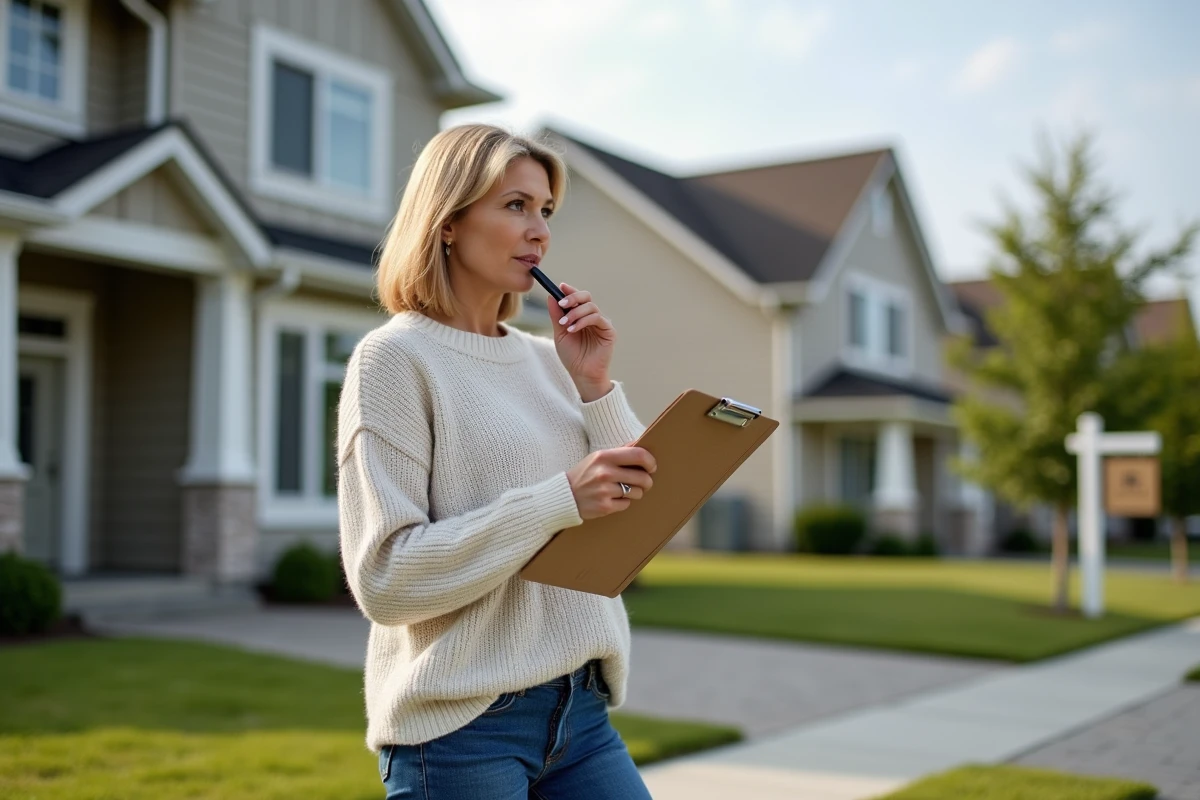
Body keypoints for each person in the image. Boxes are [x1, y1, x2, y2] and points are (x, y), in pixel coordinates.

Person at [336, 123, 657, 799]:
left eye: (545, 211)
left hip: (582, 714)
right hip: (461, 730)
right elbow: (386, 580)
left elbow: (638, 522)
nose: (538, 230)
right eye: (515, 206)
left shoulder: (552, 358)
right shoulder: (394, 360)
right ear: (448, 222)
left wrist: (596, 385)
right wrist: (556, 501)